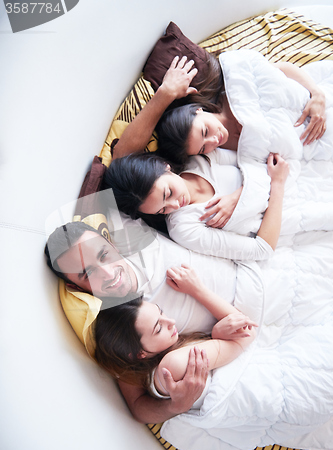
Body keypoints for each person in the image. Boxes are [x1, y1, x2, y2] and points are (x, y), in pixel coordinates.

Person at [45, 216, 249, 423]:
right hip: (241, 329)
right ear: (77, 288)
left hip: (249, 269)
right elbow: (138, 406)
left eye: (104, 255)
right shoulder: (122, 324)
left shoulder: (134, 235)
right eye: (88, 273)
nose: (108, 273)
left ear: (111, 243)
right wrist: (176, 405)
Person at [111, 54, 327, 229]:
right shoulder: (218, 154)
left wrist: (317, 94)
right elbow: (122, 157)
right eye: (204, 146)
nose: (214, 139)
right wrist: (239, 197)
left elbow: (280, 72)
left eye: (205, 130)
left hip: (317, 104)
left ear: (199, 110)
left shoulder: (231, 92)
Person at [94, 264, 256, 407]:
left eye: (161, 312)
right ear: (139, 354)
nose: (171, 321)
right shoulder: (172, 366)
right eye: (158, 328)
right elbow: (247, 333)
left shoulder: (160, 363)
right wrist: (198, 291)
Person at [103, 150, 289, 261]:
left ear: (164, 166)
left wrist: (237, 197)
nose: (175, 205)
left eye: (168, 193)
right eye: (162, 210)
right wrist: (277, 184)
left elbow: (260, 160)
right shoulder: (183, 228)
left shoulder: (201, 158)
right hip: (284, 223)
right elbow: (262, 249)